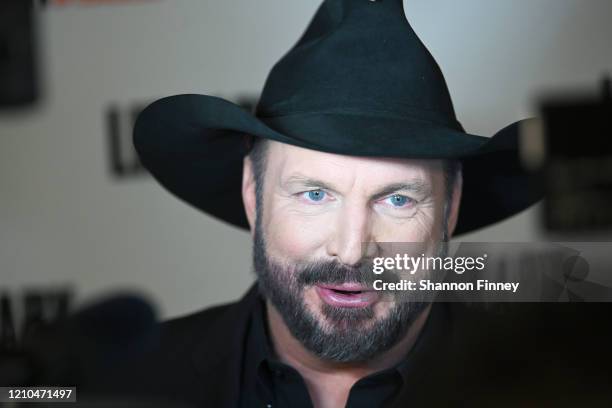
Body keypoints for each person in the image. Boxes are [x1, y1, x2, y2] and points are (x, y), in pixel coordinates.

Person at [116, 0, 555, 407]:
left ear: (450, 205)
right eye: (315, 194)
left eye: (398, 199)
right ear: (253, 191)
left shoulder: (561, 386)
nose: (351, 250)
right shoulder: (128, 384)